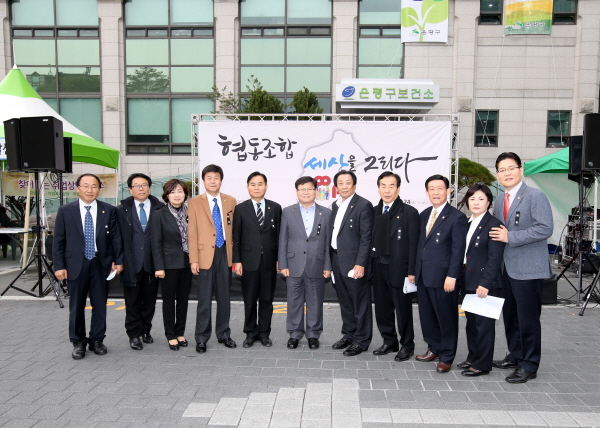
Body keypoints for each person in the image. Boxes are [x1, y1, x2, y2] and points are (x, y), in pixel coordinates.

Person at [490, 152, 553, 383]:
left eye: (511, 168)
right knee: (511, 317)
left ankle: (529, 364)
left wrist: (511, 237)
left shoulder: (535, 196)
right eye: (502, 170)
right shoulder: (499, 200)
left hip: (529, 269)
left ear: (520, 170)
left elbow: (545, 228)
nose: (507, 173)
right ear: (497, 175)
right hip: (506, 269)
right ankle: (515, 355)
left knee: (528, 319)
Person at [53, 173, 123, 360]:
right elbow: (58, 241)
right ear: (78, 188)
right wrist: (59, 266)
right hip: (76, 263)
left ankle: (97, 339)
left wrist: (118, 260)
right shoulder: (66, 211)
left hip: (101, 263)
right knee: (76, 305)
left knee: (100, 304)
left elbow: (116, 238)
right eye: (86, 186)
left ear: (99, 189)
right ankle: (78, 342)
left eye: (94, 186)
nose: (90, 190)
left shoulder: (108, 210)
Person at [414, 174, 467, 373]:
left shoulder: (457, 217)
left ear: (448, 191)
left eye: (440, 188)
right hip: (423, 275)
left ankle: (446, 355)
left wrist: (452, 275)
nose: (436, 192)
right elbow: (420, 246)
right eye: (432, 189)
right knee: (427, 316)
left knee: (446, 318)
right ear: (427, 192)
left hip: (444, 278)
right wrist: (413, 272)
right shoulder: (424, 214)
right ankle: (433, 348)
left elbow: (458, 249)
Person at [456, 184, 505, 377]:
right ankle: (472, 357)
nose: (476, 203)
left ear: (489, 202)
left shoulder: (494, 224)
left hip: (485, 284)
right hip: (468, 281)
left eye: (481, 199)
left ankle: (482, 364)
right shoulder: (467, 222)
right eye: (472, 199)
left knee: (483, 326)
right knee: (471, 323)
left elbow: (495, 258)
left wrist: (485, 283)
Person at [370, 172, 419, 362]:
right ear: (378, 188)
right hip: (378, 266)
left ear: (398, 189)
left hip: (400, 268)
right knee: (382, 308)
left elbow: (414, 244)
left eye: (391, 186)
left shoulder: (409, 212)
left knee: (403, 309)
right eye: (383, 186)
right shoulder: (374, 211)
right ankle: (389, 341)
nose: (387, 190)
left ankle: (407, 345)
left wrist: (412, 271)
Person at [279, 176, 332, 350]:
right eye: (302, 189)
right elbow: (283, 239)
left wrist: (327, 265)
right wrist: (283, 264)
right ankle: (294, 334)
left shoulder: (326, 213)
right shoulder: (288, 211)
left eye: (309, 189)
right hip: (293, 264)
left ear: (315, 191)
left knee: (315, 301)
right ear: (297, 192)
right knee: (293, 301)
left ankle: (313, 334)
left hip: (316, 264)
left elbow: (327, 242)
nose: (306, 192)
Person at [188, 164, 237, 353]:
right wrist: (194, 259)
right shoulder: (194, 203)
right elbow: (192, 233)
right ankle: (201, 337)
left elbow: (234, 230)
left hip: (225, 252)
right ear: (203, 181)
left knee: (224, 297)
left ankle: (224, 334)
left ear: (221, 180)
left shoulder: (231, 201)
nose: (212, 181)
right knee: (204, 298)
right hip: (204, 255)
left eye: (216, 177)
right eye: (209, 177)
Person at [233, 172, 282, 348]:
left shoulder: (275, 208)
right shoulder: (240, 208)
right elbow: (236, 237)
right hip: (248, 261)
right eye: (253, 184)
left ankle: (264, 334)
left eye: (260, 184)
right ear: (248, 187)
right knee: (250, 299)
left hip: (269, 261)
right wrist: (237, 261)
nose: (256, 187)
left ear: (266, 186)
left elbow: (279, 237)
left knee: (267, 300)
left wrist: (280, 259)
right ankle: (250, 333)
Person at [116, 173, 164, 351]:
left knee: (150, 301)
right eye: (136, 185)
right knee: (132, 301)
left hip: (152, 263)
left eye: (144, 185)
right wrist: (118, 260)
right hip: (131, 263)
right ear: (130, 189)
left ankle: (145, 330)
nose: (141, 188)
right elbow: (117, 238)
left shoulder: (160, 208)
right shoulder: (121, 210)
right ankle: (134, 334)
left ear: (150, 188)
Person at [329, 170, 373, 357]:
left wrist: (360, 263)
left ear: (354, 185)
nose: (344, 186)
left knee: (359, 303)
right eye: (341, 183)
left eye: (348, 183)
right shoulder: (336, 205)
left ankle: (362, 340)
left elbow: (366, 238)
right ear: (336, 187)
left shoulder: (363, 205)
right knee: (345, 301)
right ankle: (349, 334)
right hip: (337, 259)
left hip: (354, 263)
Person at [151, 179, 192, 351]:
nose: (177, 195)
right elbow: (156, 243)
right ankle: (170, 334)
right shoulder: (159, 214)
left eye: (180, 191)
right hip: (168, 264)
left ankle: (180, 331)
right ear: (167, 195)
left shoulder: (190, 211)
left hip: (187, 262)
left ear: (185, 194)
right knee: (169, 300)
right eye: (173, 192)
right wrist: (159, 267)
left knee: (183, 300)